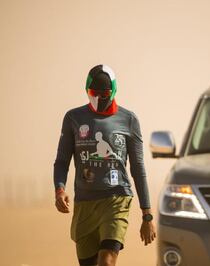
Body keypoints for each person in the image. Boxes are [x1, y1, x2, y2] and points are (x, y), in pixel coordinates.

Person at [53, 64, 156, 266]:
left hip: (116, 199)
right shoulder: (73, 118)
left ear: (114, 91)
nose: (99, 98)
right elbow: (62, 160)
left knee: (106, 261)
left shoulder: (129, 120)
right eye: (94, 93)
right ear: (87, 90)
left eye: (105, 93)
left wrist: (147, 215)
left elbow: (138, 168)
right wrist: (59, 189)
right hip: (85, 203)